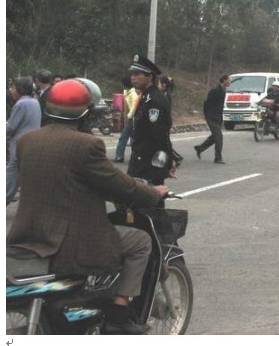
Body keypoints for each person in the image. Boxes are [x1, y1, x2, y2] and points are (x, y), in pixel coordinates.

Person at [6, 79, 168, 334]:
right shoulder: (86, 145)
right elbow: (120, 186)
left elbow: (61, 177)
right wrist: (153, 193)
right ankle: (119, 315)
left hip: (30, 233)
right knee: (140, 241)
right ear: (86, 114)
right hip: (70, 241)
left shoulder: (27, 140)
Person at [127, 55, 176, 189]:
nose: (133, 77)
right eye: (132, 74)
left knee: (148, 197)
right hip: (141, 158)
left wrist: (167, 162)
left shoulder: (154, 100)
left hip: (148, 162)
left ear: (149, 77)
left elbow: (159, 135)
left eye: (137, 74)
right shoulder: (146, 96)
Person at [6, 76, 41, 204]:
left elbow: (11, 127)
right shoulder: (34, 102)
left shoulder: (21, 104)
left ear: (20, 89)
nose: (11, 90)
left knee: (11, 172)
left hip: (19, 143)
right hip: (31, 142)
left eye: (13, 88)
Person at [195, 74, 231, 164]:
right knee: (219, 137)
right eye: (229, 80)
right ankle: (218, 158)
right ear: (224, 80)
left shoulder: (223, 91)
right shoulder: (215, 91)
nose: (230, 82)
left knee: (215, 136)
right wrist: (206, 115)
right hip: (211, 117)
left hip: (218, 117)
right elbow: (206, 103)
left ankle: (200, 148)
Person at [114, 76, 139, 163]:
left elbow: (134, 107)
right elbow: (126, 106)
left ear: (126, 85)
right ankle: (123, 156)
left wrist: (128, 117)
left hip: (133, 119)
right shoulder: (126, 92)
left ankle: (119, 157)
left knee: (124, 137)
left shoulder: (133, 94)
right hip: (129, 118)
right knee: (133, 139)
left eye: (123, 84)